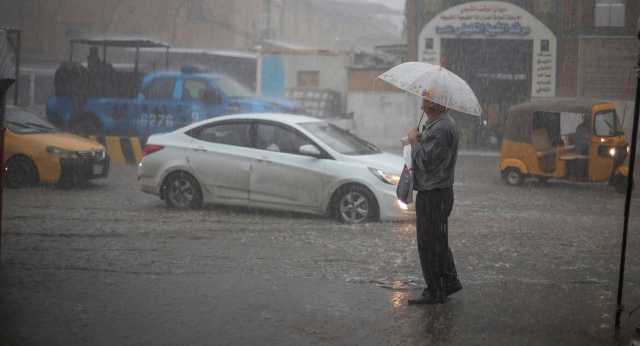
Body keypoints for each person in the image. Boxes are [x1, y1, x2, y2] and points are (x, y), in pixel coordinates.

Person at [407, 92, 462, 305]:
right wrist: (420, 138)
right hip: (438, 192)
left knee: (429, 243)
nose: (422, 100)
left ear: (432, 103)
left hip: (433, 194)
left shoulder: (441, 128)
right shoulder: (439, 124)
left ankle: (435, 291)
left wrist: (413, 142)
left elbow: (427, 162)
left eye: (425, 97)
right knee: (438, 241)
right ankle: (448, 283)